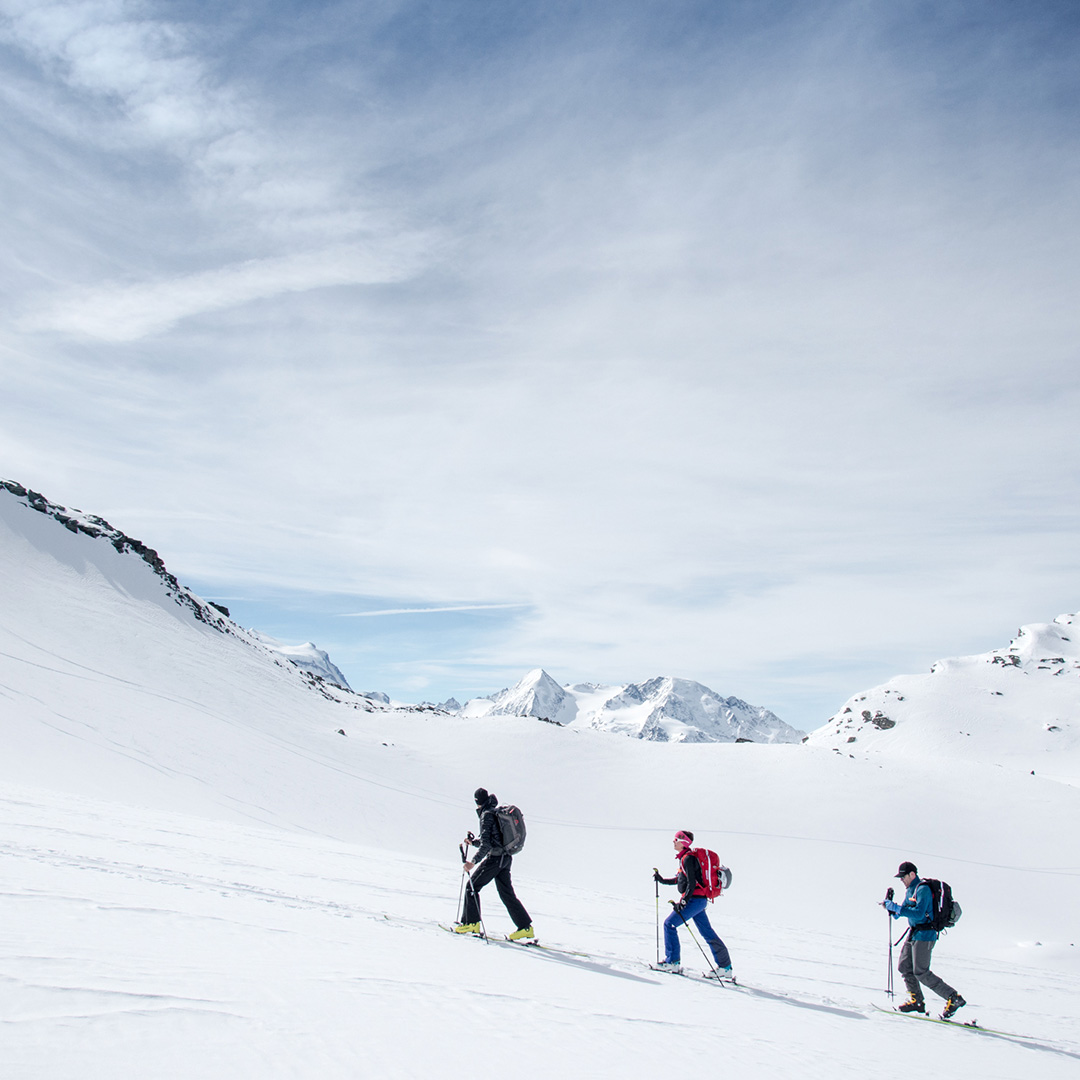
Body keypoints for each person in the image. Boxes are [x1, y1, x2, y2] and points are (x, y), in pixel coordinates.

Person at [882, 861, 966, 1018]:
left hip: (925, 935)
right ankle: (917, 1001)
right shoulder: (910, 891)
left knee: (921, 972)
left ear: (912, 874)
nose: (901, 880)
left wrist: (897, 909)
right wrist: (892, 909)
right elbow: (906, 910)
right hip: (914, 933)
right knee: (904, 966)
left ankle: (953, 998)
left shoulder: (923, 889)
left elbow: (920, 913)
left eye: (903, 877)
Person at [455, 788, 534, 939]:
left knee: (471, 887)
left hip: (495, 859)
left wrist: (473, 862)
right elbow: (491, 841)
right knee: (507, 894)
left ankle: (472, 924)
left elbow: (487, 845)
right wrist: (473, 842)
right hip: (505, 859)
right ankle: (525, 928)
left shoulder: (487, 815)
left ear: (477, 802)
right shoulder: (494, 812)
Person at [653, 830, 733, 977]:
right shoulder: (685, 858)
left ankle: (672, 962)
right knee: (707, 932)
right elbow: (681, 880)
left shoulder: (688, 859)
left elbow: (691, 883)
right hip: (699, 901)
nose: (673, 842)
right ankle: (725, 967)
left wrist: (683, 902)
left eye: (676, 839)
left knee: (669, 924)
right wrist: (662, 879)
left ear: (683, 843)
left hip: (695, 900)